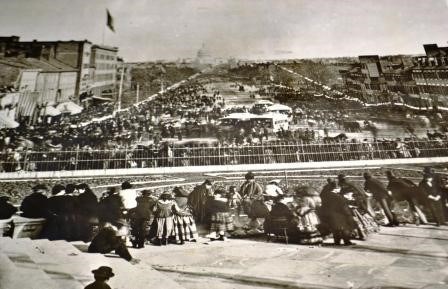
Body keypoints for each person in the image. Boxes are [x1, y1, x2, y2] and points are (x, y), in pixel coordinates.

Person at [319, 181, 356, 246]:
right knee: (344, 228)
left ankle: (337, 242)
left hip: (329, 214)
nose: (340, 189)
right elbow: (343, 207)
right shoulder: (338, 197)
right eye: (338, 188)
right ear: (335, 189)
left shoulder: (325, 196)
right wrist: (348, 214)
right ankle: (346, 241)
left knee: (335, 229)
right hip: (339, 215)